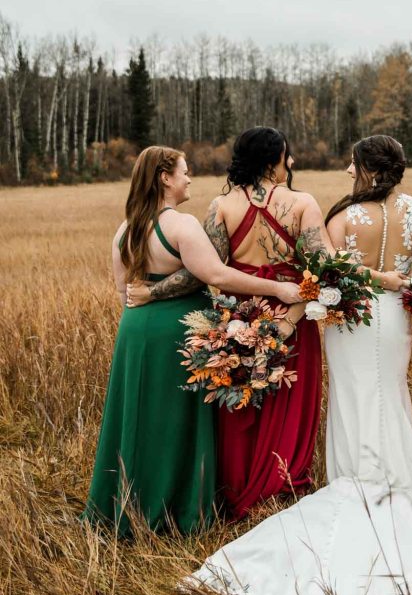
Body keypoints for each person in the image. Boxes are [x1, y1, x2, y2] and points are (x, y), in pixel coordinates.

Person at [184, 136, 412, 595]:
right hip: (395, 318)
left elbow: (331, 271)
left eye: (353, 164)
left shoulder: (342, 216)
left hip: (351, 320)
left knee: (353, 396)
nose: (348, 171)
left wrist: (366, 282)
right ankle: (391, 475)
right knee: (390, 392)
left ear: (366, 168)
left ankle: (355, 475)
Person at [84, 145, 301, 536]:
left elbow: (123, 293)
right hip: (177, 332)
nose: (189, 179)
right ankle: (176, 511)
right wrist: (277, 288)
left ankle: (127, 506)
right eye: (184, 172)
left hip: (134, 333)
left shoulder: (124, 230)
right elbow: (216, 275)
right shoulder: (181, 225)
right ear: (165, 178)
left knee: (138, 417)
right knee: (175, 421)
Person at [129, 128, 331, 519]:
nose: (290, 163)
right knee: (287, 400)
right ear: (272, 160)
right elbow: (323, 270)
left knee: (239, 400)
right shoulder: (303, 203)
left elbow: (201, 272)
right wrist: (291, 319)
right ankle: (281, 487)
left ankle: (237, 490)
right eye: (286, 155)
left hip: (238, 316)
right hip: (291, 313)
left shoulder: (221, 206)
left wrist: (151, 292)